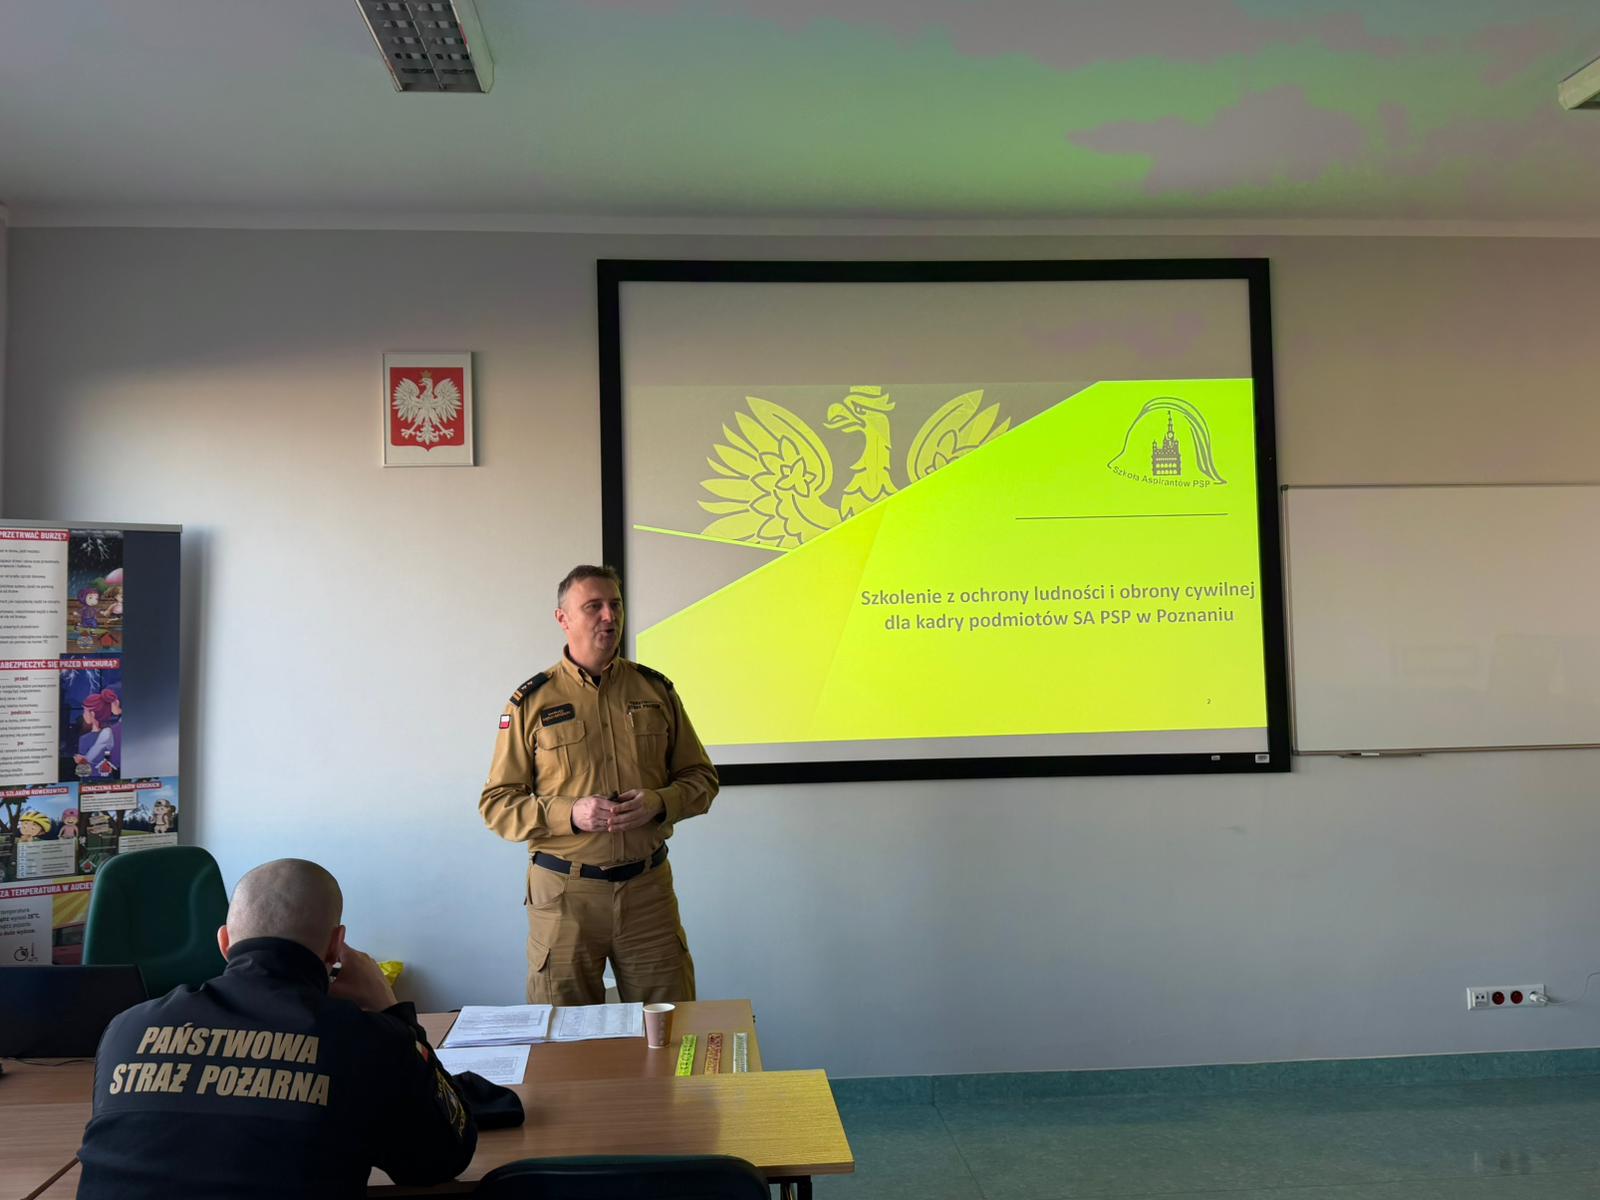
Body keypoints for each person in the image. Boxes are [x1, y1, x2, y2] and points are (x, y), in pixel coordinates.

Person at [76, 858, 477, 1199]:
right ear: (336, 945)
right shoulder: (369, 1039)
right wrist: (394, 1015)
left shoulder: (128, 1028)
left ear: (224, 942)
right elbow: (441, 1160)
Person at [481, 564, 718, 1005]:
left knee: (669, 1026)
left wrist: (660, 802)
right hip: (564, 896)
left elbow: (702, 779)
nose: (609, 616)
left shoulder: (656, 690)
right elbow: (497, 804)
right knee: (563, 1034)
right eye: (593, 607)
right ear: (563, 618)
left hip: (647, 893)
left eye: (615, 605)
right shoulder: (531, 702)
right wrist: (570, 813)